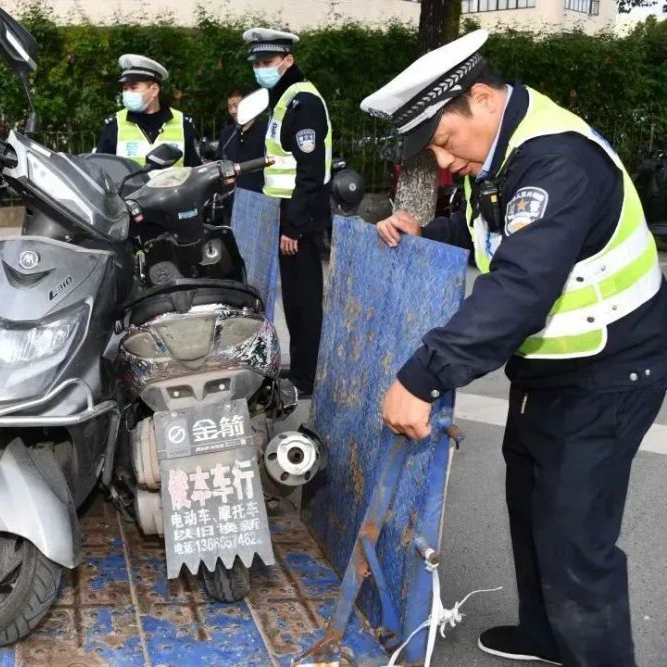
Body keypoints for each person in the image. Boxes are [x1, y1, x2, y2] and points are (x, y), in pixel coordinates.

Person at [361, 29, 667, 667]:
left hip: (610, 371)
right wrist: (429, 231)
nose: (443, 164)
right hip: (552, 370)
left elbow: (522, 285)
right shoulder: (499, 155)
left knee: (576, 542)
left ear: (480, 98)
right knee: (531, 507)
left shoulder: (557, 160)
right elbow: (494, 239)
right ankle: (546, 638)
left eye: (444, 142)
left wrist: (423, 377)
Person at [243, 28, 332, 397]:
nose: (261, 69)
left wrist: (293, 227)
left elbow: (310, 174)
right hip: (284, 212)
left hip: (301, 217)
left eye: (268, 62)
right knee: (293, 299)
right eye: (258, 63)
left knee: (303, 300)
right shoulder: (282, 101)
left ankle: (307, 378)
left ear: (288, 61)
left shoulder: (303, 103)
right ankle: (301, 368)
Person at [94, 54, 199, 167]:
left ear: (154, 90)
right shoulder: (114, 126)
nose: (128, 93)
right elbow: (100, 171)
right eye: (125, 89)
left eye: (134, 88)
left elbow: (197, 172)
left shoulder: (183, 124)